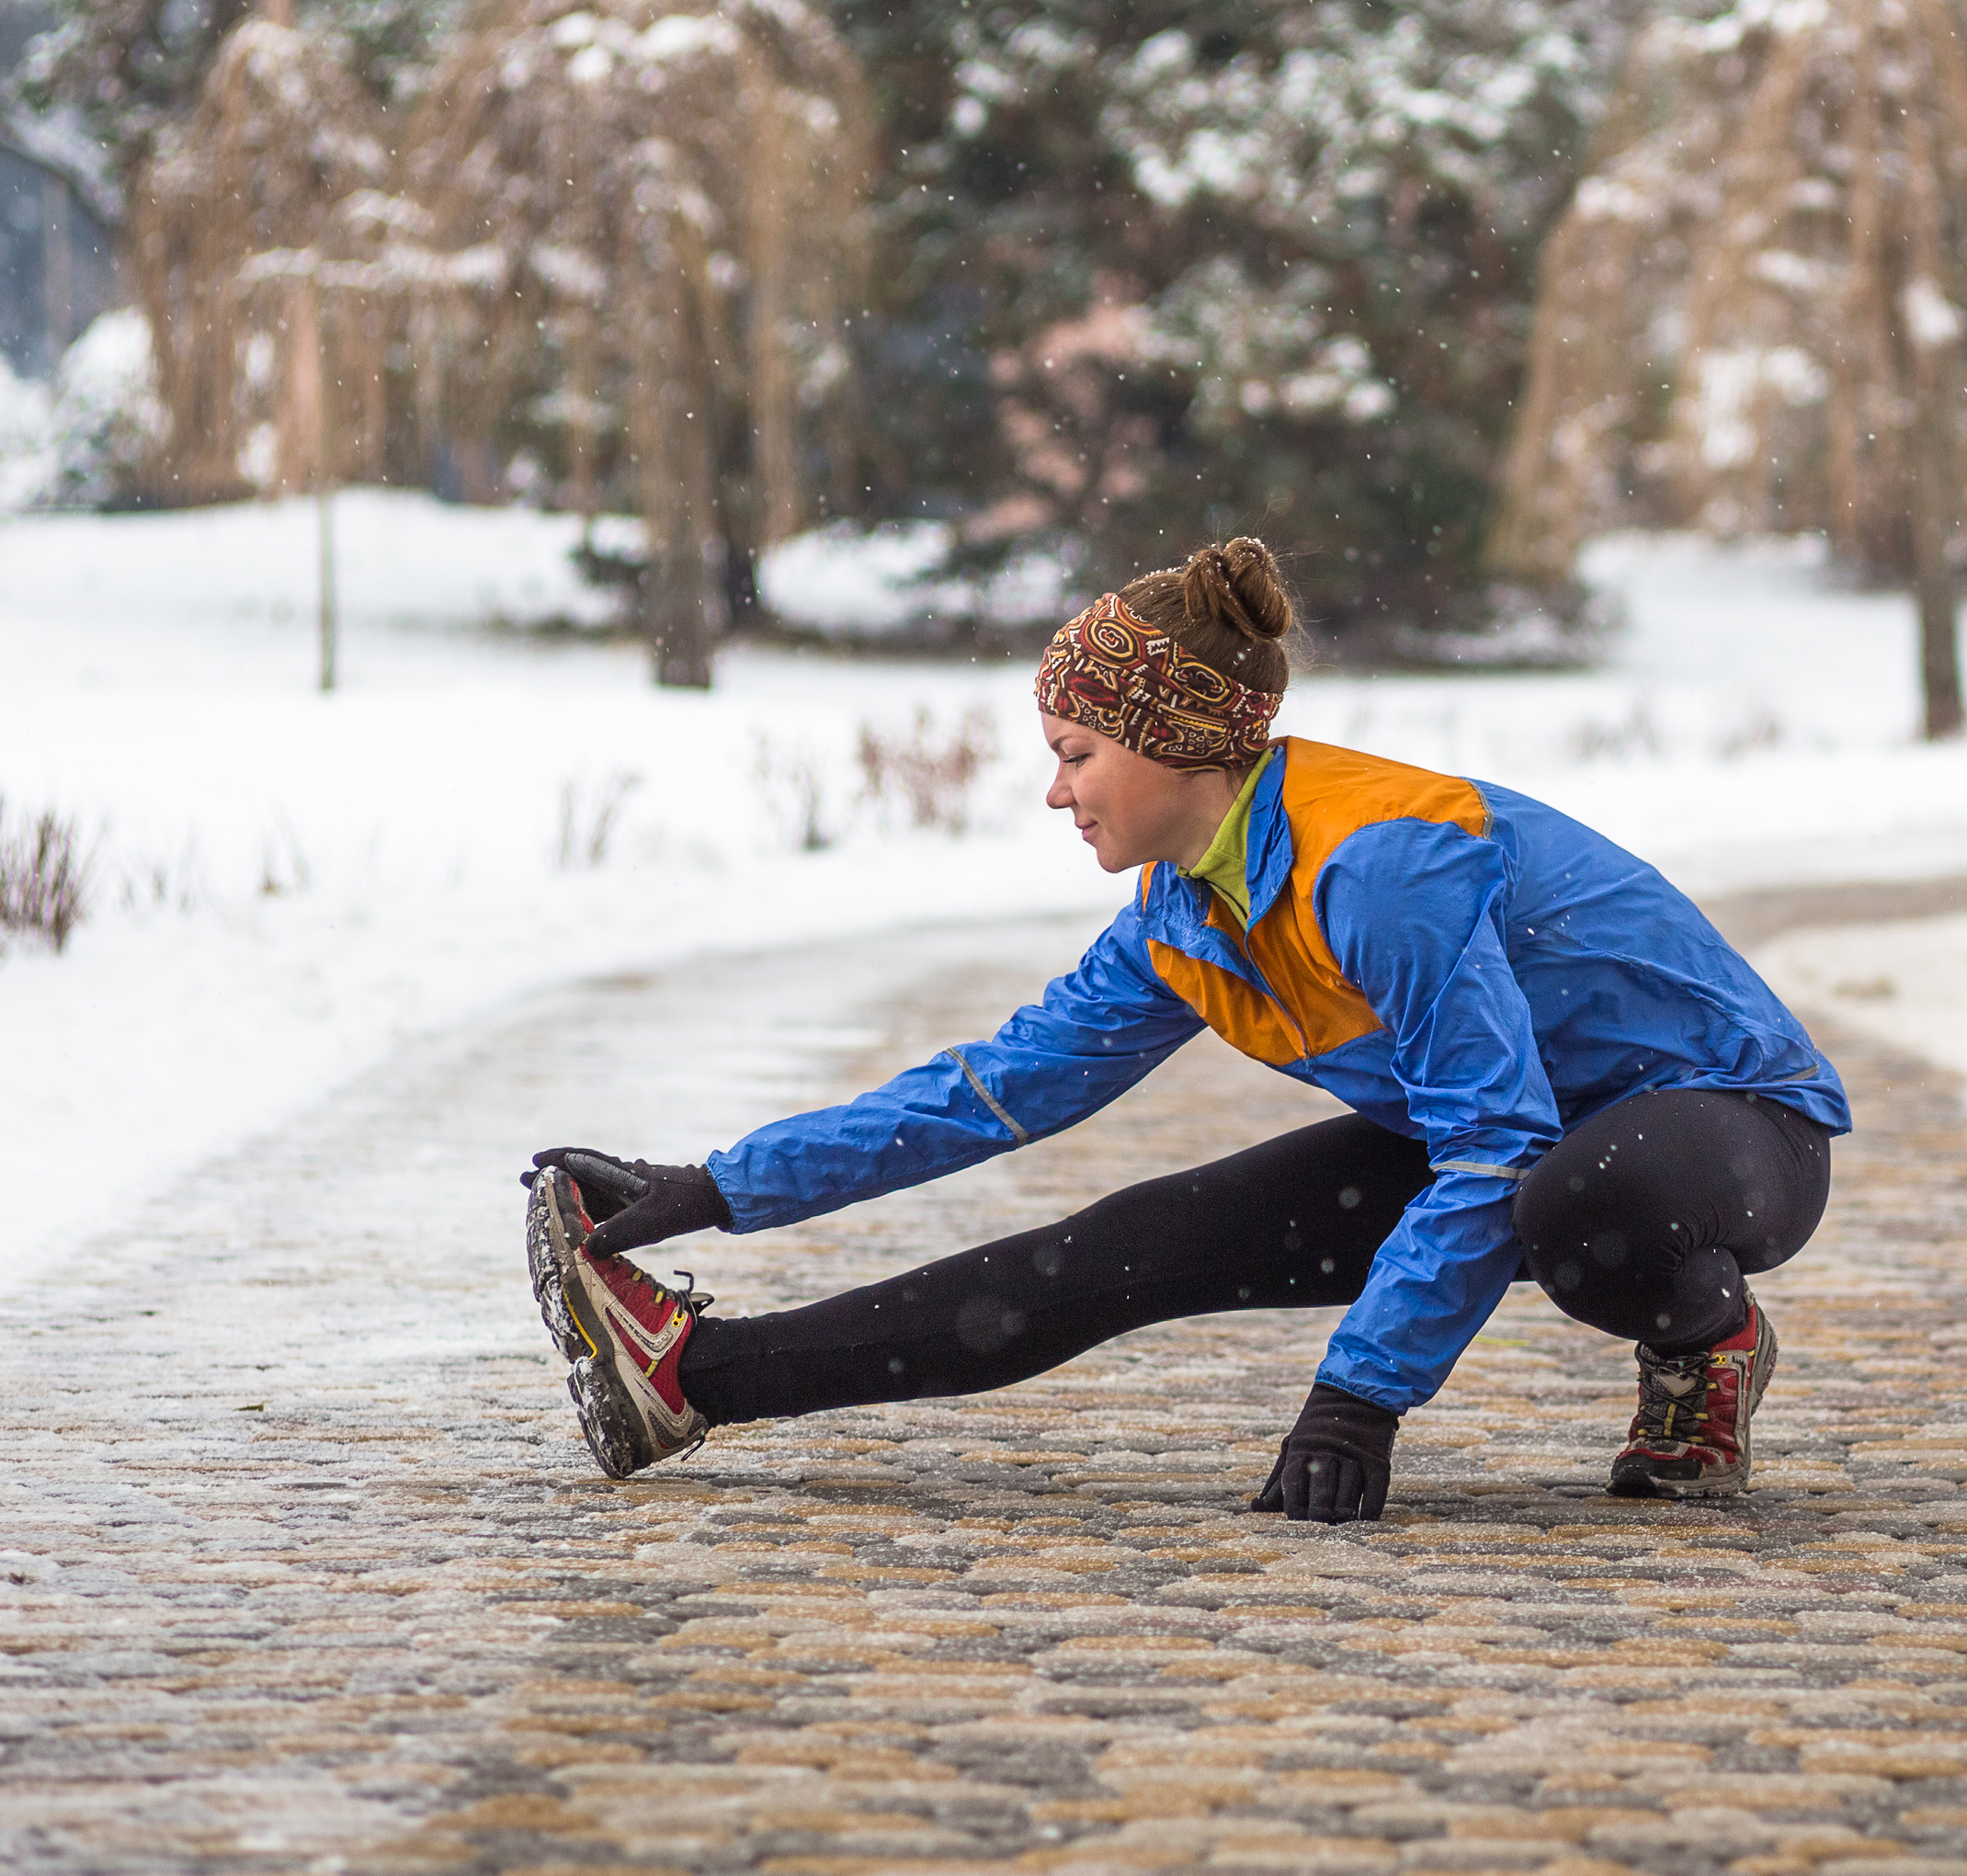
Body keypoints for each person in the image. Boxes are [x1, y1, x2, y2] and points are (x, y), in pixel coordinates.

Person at [519, 538, 1848, 1521]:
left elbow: (1492, 1148)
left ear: (1179, 748)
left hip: (1727, 1128)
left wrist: (1357, 1402)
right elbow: (989, 1092)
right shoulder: (1183, 912)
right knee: (1120, 1249)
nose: (1057, 792)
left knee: (1575, 1201)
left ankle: (1704, 1341)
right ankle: (697, 1382)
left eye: (1078, 752)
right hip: (1518, 1136)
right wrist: (711, 1189)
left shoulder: (1380, 864)